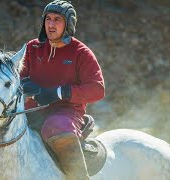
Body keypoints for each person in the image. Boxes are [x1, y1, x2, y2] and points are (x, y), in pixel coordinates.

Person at [20, 0, 105, 179]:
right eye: (48, 19)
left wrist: (59, 93)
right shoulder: (32, 47)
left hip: (66, 113)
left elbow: (97, 89)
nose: (51, 24)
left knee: (54, 126)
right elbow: (20, 77)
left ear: (69, 24)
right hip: (32, 109)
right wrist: (29, 87)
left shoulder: (81, 52)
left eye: (57, 19)